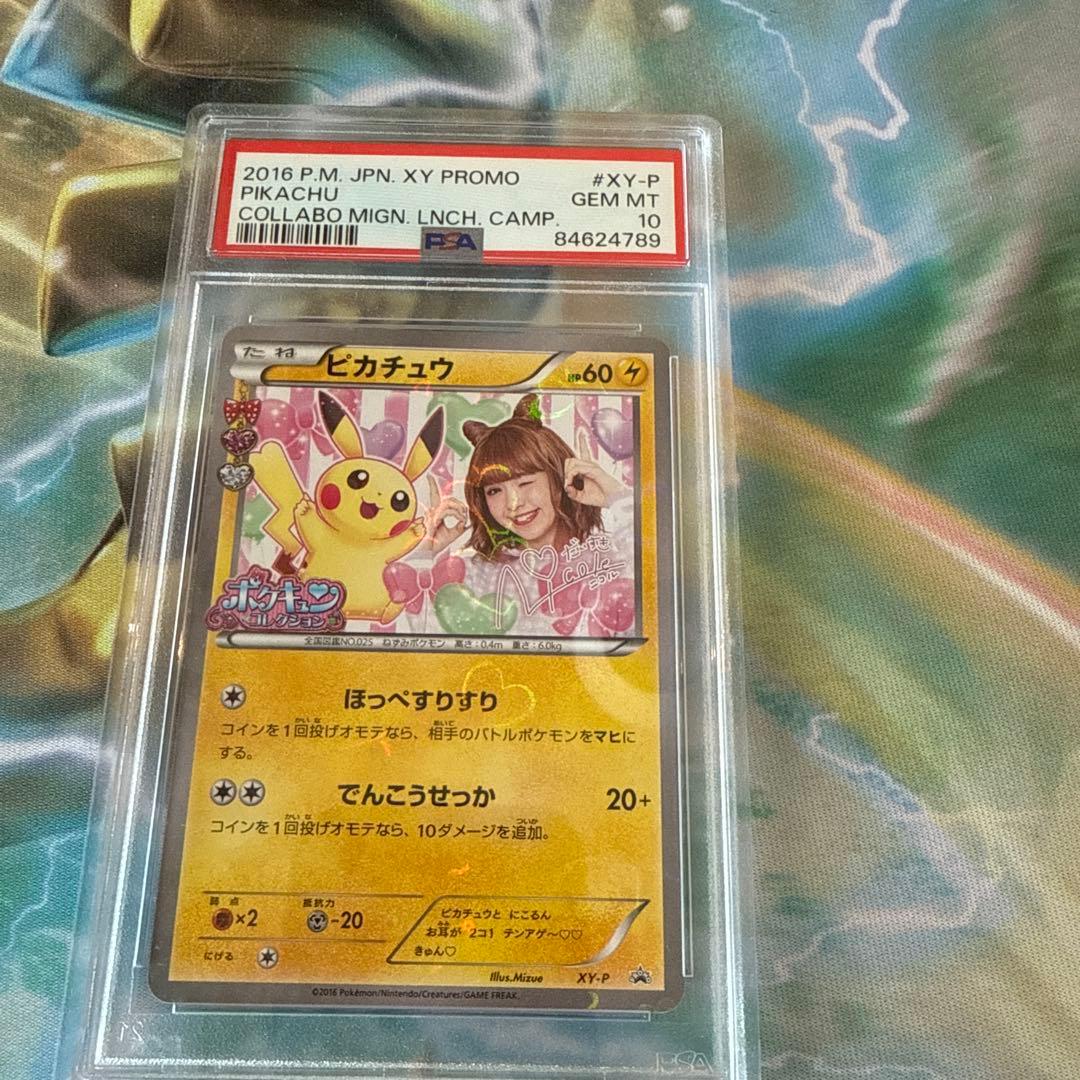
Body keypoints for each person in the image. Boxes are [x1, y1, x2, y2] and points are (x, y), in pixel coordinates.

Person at [424, 393, 626, 558]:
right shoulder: (484, 571)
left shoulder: (609, 546)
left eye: (525, 483)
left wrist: (616, 496)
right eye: (494, 491)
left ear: (559, 476)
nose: (513, 504)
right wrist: (426, 550)